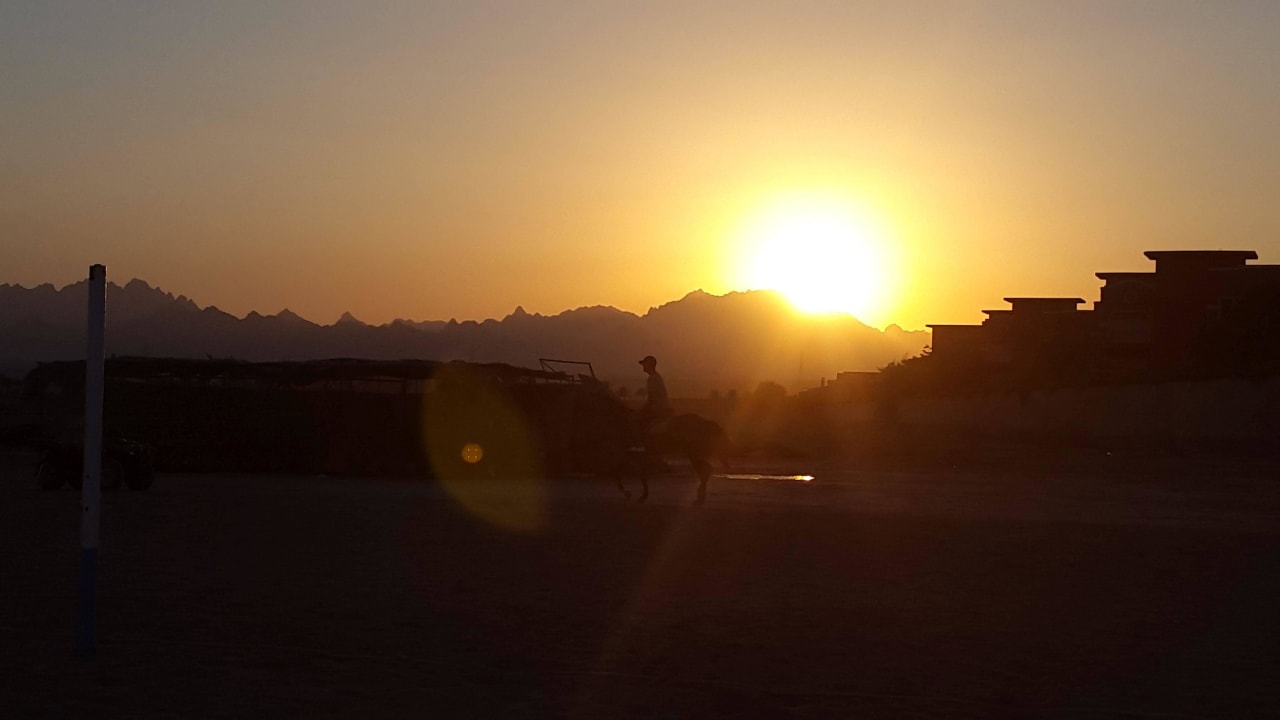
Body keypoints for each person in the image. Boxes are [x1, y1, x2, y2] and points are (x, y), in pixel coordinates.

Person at [638, 355, 671, 439]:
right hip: (661, 409)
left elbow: (651, 400)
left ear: (649, 365)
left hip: (657, 411)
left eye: (644, 364)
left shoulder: (652, 379)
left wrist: (641, 410)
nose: (643, 367)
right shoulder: (657, 377)